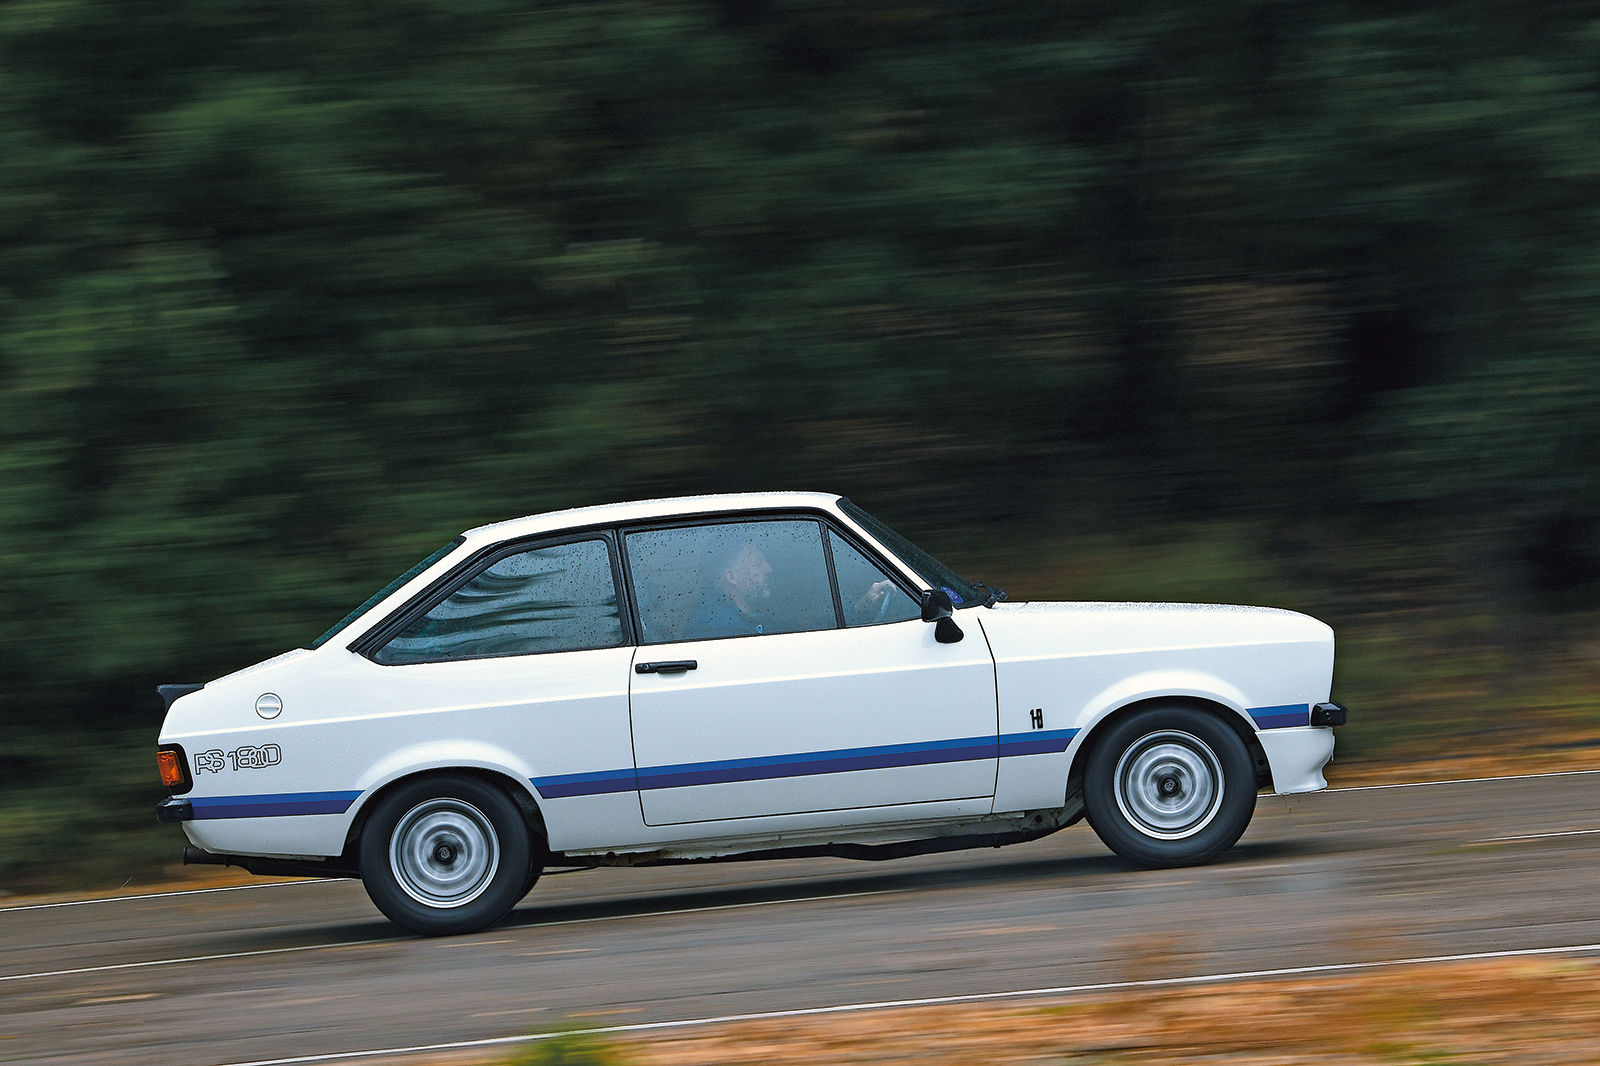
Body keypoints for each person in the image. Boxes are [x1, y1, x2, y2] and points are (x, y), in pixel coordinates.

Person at [686, 541, 774, 639]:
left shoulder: (742, 617)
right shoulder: (722, 630)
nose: (769, 569)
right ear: (732, 577)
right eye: (758, 564)